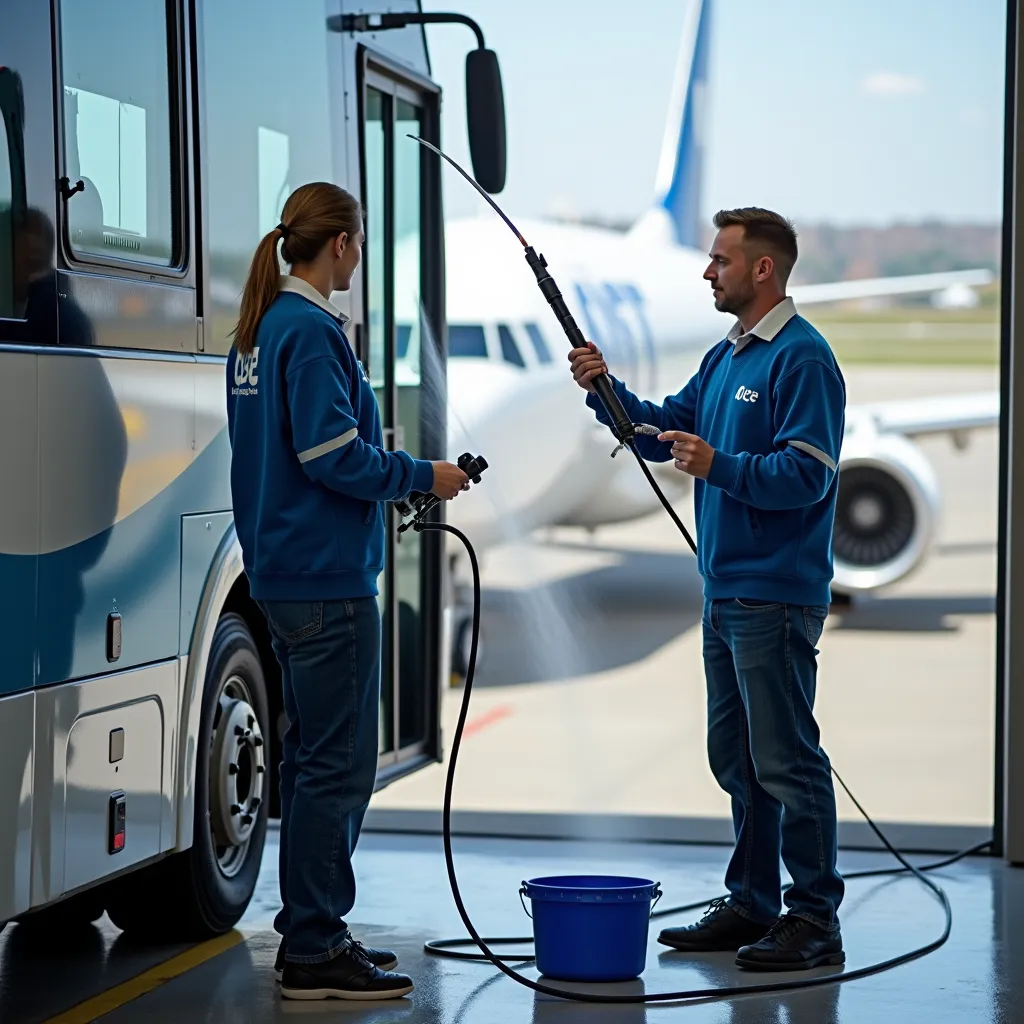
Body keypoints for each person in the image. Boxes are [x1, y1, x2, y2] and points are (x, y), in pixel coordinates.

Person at [568, 207, 847, 971]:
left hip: (774, 596)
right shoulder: (728, 358)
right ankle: (754, 904)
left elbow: (807, 475)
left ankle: (814, 920)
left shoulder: (803, 360)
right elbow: (660, 427)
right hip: (724, 593)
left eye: (720, 259)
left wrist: (717, 465)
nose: (706, 271)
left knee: (787, 760)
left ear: (763, 269)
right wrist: (607, 390)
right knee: (738, 757)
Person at [226, 181, 469, 1001]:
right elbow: (333, 457)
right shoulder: (309, 331)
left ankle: (311, 932)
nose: (358, 257)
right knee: (337, 766)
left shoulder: (259, 331)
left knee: (307, 763)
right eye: (358, 244)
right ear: (340, 246)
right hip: (327, 583)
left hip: (281, 575)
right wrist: (423, 476)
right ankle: (315, 949)